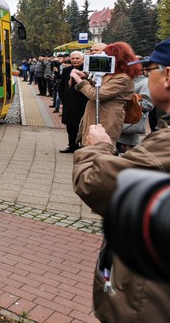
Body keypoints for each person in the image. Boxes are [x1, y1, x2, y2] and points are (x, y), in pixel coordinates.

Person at [72, 38, 170, 321]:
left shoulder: (160, 150)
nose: (145, 76)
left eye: (150, 69)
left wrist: (98, 147)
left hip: (145, 305)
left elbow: (94, 182)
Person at [69, 42, 139, 147]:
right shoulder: (112, 74)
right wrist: (86, 77)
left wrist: (80, 81)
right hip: (98, 115)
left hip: (107, 118)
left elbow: (96, 94)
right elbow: (99, 87)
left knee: (101, 148)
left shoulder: (123, 78)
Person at [59, 51, 87, 152]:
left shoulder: (87, 70)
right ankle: (72, 145)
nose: (74, 60)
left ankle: (84, 146)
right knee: (70, 126)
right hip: (69, 103)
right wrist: (64, 98)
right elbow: (61, 85)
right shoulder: (66, 70)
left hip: (84, 102)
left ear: (83, 59)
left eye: (77, 58)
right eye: (73, 58)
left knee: (83, 125)